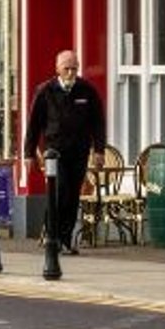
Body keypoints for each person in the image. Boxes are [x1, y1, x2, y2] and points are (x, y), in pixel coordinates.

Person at [23, 50, 105, 251]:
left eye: (74, 69)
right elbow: (33, 125)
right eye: (66, 69)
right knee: (59, 191)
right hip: (54, 152)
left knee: (72, 195)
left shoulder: (87, 91)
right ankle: (52, 236)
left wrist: (99, 150)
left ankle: (66, 238)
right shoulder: (45, 91)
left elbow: (98, 123)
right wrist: (28, 153)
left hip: (79, 151)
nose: (70, 73)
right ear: (57, 69)